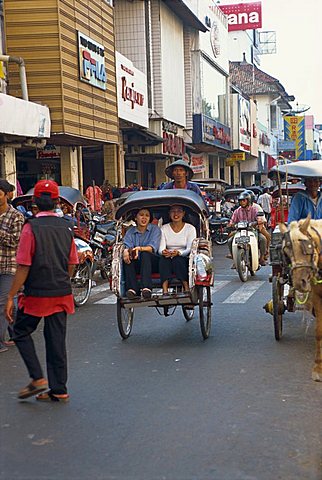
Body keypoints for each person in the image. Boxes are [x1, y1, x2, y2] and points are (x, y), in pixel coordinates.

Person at [5, 180, 79, 402]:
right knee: (56, 339)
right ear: (57, 202)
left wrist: (11, 296)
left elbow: (24, 266)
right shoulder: (67, 227)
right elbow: (72, 263)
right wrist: (62, 280)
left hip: (37, 293)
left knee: (19, 331)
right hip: (61, 292)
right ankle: (59, 389)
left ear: (35, 202)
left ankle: (37, 378)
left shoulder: (31, 227)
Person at [0, 179, 25, 352]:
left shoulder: (16, 216)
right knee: (11, 304)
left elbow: (15, 241)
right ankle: (17, 333)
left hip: (9, 265)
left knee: (2, 301)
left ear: (6, 195)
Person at [123, 208, 161, 299]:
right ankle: (132, 288)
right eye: (141, 215)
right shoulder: (130, 232)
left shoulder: (155, 229)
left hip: (153, 263)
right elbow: (127, 246)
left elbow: (152, 248)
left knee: (145, 253)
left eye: (147, 215)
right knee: (128, 257)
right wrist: (125, 252)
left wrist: (139, 249)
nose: (144, 218)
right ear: (136, 218)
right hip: (138, 263)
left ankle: (146, 287)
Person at [159, 205, 196, 294]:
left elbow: (189, 248)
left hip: (184, 257)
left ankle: (186, 286)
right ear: (169, 213)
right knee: (163, 260)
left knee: (178, 260)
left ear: (183, 213)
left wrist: (179, 253)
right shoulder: (164, 228)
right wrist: (164, 252)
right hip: (168, 256)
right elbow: (161, 248)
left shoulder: (190, 228)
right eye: (173, 211)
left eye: (179, 211)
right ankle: (165, 289)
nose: (176, 214)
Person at [227, 191, 267, 267]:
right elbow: (232, 221)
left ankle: (261, 258)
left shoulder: (255, 209)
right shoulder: (237, 211)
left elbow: (261, 219)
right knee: (230, 241)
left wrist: (258, 222)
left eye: (244, 200)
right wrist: (230, 224)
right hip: (240, 231)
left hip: (253, 230)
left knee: (263, 239)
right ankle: (235, 259)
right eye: (240, 201)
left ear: (248, 200)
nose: (242, 202)